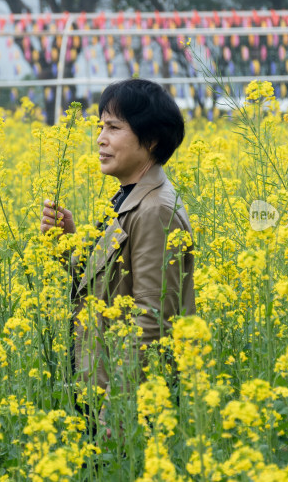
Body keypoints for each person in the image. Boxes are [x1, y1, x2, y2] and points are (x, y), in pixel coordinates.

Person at [40, 78, 196, 401]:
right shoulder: (129, 198)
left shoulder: (155, 212)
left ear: (151, 140)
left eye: (113, 128)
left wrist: (117, 415)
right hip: (100, 393)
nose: (100, 139)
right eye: (101, 127)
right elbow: (107, 287)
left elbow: (151, 325)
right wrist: (66, 245)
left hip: (122, 408)